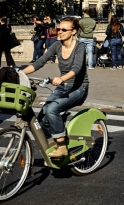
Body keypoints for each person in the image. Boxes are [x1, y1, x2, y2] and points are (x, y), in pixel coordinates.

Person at [20, 17, 88, 157]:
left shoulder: (80, 46)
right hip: (63, 87)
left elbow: (77, 68)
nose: (59, 32)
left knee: (52, 108)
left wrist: (61, 78)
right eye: (58, 29)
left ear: (73, 31)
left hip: (79, 88)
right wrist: (19, 73)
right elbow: (40, 62)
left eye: (64, 30)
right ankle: (55, 141)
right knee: (42, 117)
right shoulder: (57, 45)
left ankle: (62, 147)